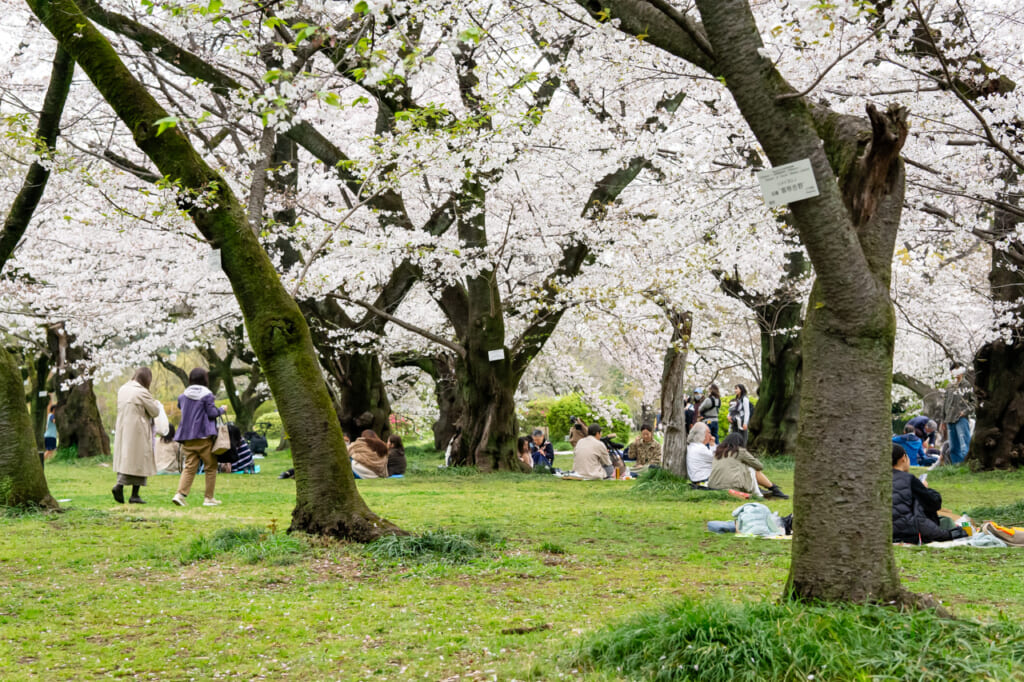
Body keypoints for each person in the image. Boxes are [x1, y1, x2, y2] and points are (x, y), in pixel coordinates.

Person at [172, 368, 227, 507]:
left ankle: (180, 494)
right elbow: (211, 413)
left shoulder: (183, 395)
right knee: (211, 467)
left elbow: (181, 406)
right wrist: (222, 410)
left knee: (189, 467)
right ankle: (209, 498)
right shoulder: (207, 395)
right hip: (204, 437)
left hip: (187, 438)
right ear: (205, 379)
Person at [891, 445, 965, 544]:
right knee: (946, 521)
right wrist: (925, 489)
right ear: (904, 458)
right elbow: (934, 503)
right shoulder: (909, 479)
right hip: (908, 535)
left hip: (883, 533)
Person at [112, 368, 163, 504]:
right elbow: (154, 411)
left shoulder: (123, 389)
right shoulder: (142, 392)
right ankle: (125, 489)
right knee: (139, 460)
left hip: (123, 428)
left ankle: (128, 490)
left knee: (127, 459)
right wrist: (156, 404)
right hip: (138, 430)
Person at [707, 433, 788, 498]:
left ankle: (766, 489)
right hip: (732, 486)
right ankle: (774, 488)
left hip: (713, 485)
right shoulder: (739, 451)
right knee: (751, 468)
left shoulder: (718, 452)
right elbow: (759, 466)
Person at [941, 363, 974, 464]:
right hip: (949, 419)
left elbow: (974, 403)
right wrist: (943, 420)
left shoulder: (967, 385)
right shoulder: (949, 386)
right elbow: (945, 404)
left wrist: (965, 412)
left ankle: (966, 465)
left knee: (964, 443)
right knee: (953, 446)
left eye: (957, 370)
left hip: (961, 419)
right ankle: (957, 466)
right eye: (953, 370)